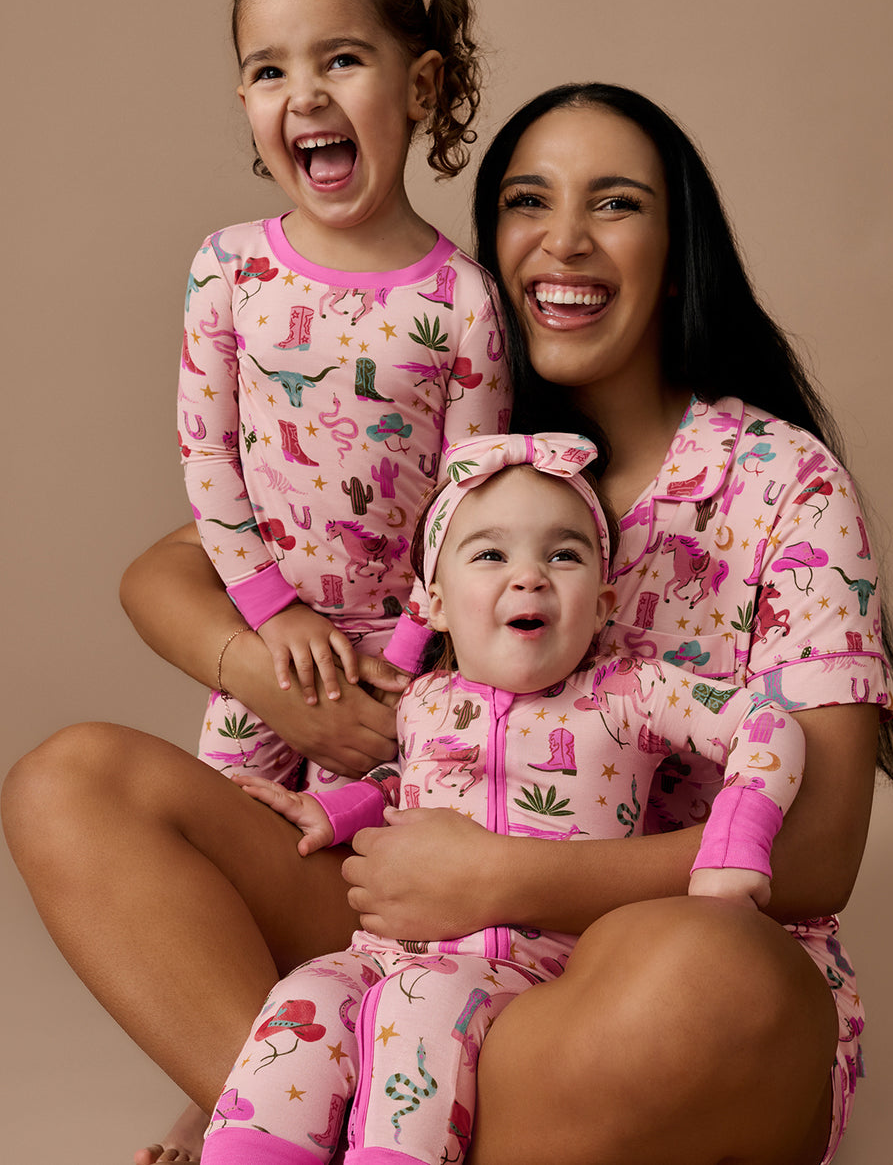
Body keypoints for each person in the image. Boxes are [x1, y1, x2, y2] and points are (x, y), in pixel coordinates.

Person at [2, 82, 893, 1165]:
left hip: (638, 981)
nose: (563, 239)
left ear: (679, 251)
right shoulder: (462, 448)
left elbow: (815, 857)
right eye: (528, 201)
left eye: (614, 203)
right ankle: (297, 1102)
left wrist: (504, 875)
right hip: (417, 945)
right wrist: (281, 681)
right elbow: (168, 570)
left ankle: (305, 1120)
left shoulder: (778, 478)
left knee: (706, 968)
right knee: (72, 782)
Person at [199, 432, 805, 1165]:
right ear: (434, 604)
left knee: (419, 1006)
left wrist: (734, 844)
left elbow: (765, 725)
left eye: (564, 555)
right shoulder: (421, 701)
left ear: (604, 601)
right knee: (307, 999)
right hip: (386, 952)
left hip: (528, 977)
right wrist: (331, 811)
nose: (530, 577)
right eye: (491, 555)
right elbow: (410, 787)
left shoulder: (629, 695)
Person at [178, 0, 510, 793]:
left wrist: (404, 653)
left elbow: (470, 506)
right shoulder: (229, 268)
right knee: (222, 851)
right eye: (269, 71)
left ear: (421, 85)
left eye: (342, 60)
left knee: (364, 889)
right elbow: (207, 455)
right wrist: (270, 613)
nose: (306, 95)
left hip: (413, 671)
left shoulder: (464, 302)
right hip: (270, 649)